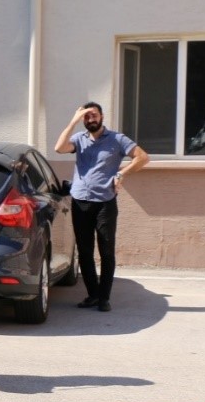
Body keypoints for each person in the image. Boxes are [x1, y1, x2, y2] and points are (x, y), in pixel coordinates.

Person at [53, 101, 149, 313]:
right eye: (86, 117)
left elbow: (142, 157)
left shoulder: (117, 139)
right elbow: (59, 148)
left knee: (106, 251)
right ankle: (92, 295)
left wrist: (122, 173)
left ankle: (104, 298)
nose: (90, 119)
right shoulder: (79, 139)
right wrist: (73, 121)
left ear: (102, 116)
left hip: (105, 202)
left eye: (94, 115)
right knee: (85, 251)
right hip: (80, 201)